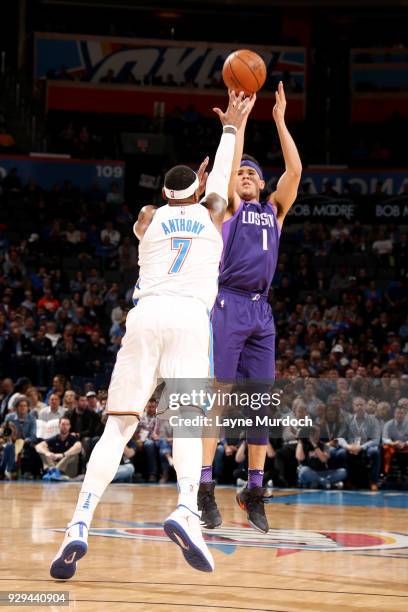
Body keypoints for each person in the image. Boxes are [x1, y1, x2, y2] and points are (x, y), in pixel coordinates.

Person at [50, 91, 252, 579]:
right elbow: (221, 184)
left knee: (118, 427)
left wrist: (182, 194)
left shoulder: (148, 218)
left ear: (165, 195)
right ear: (198, 193)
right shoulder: (212, 214)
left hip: (145, 318)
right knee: (186, 425)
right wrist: (230, 128)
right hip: (188, 321)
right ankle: (185, 510)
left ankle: (79, 523)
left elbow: (157, 212)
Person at [198, 82, 302, 533]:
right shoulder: (233, 209)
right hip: (228, 302)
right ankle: (204, 486)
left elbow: (295, 171)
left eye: (251, 173)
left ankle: (253, 488)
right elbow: (226, 172)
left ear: (262, 182)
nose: (243, 175)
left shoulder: (276, 209)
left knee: (260, 403)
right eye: (239, 172)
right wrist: (235, 126)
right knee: (219, 398)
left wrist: (278, 120)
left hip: (261, 311)